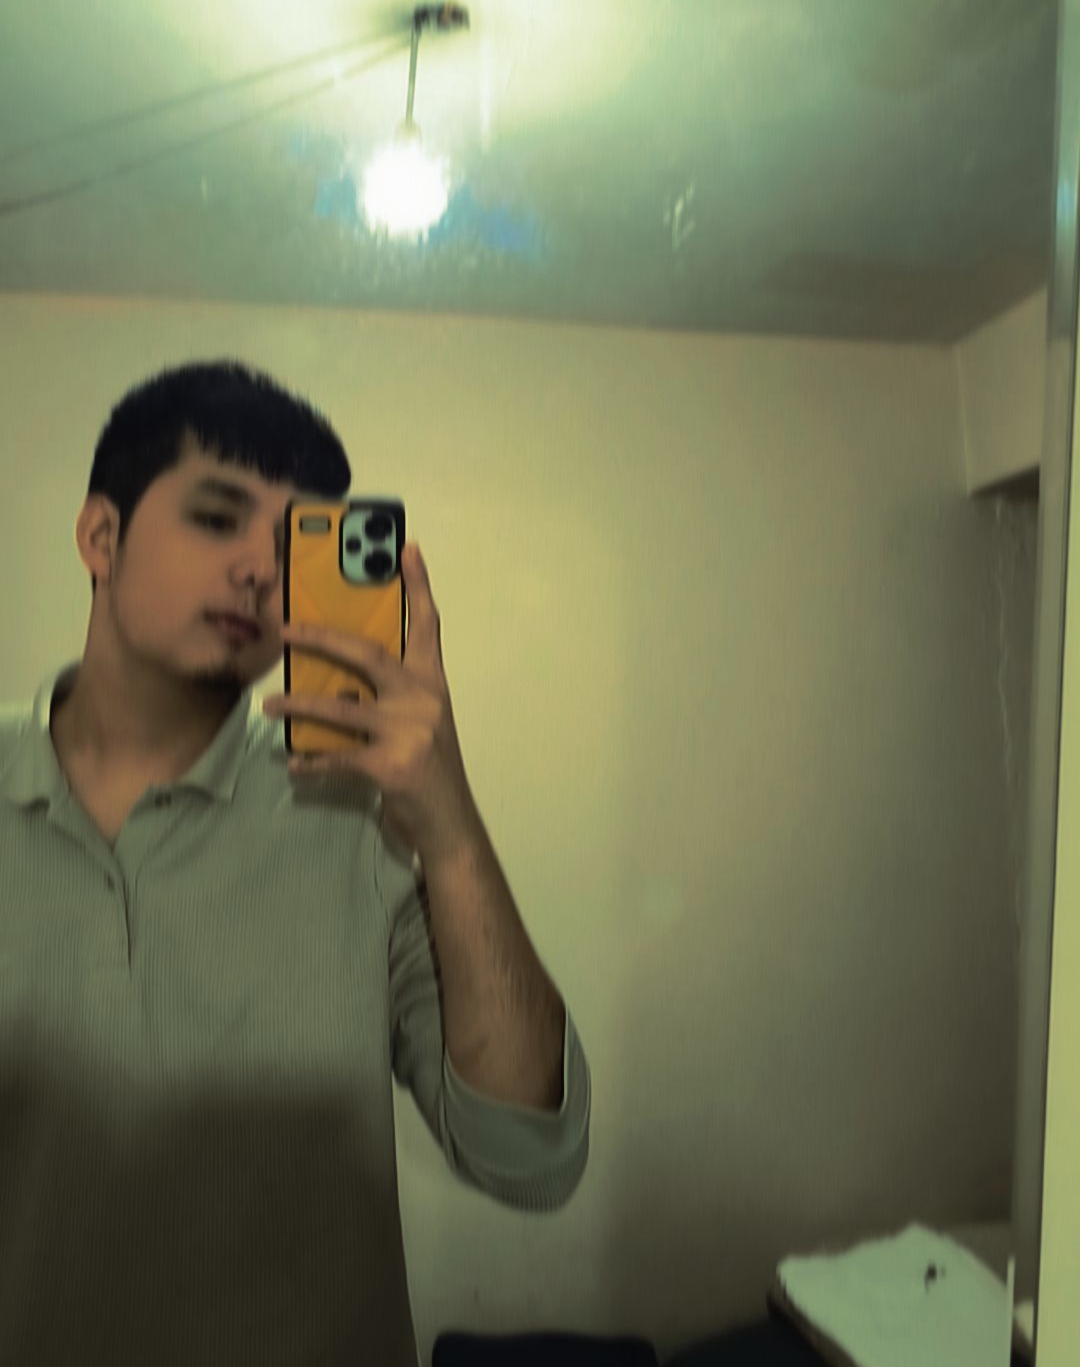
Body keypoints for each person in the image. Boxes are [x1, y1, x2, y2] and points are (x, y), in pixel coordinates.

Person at [0, 360, 591, 1366]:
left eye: (292, 547)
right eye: (216, 517)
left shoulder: (362, 812)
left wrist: (449, 825)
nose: (257, 572)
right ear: (101, 534)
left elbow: (528, 1159)